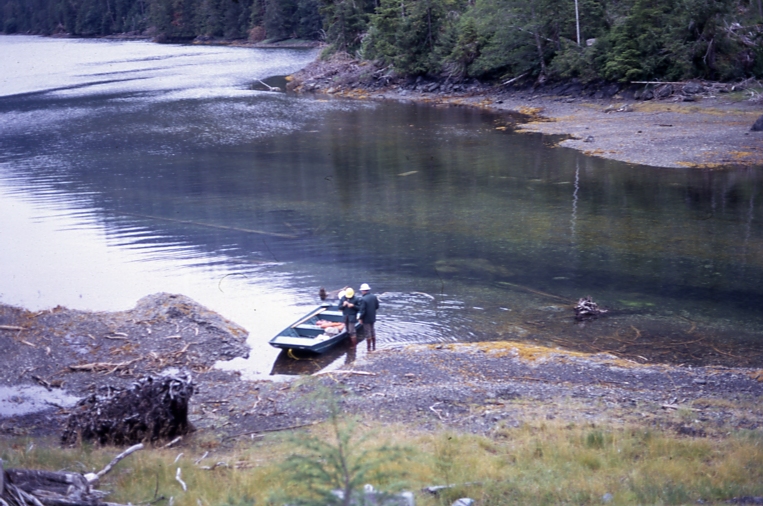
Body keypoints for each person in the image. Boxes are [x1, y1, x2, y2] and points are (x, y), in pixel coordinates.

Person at [357, 283, 380, 351]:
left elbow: (362, 310)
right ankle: (374, 347)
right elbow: (377, 306)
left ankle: (368, 348)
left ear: (363, 291)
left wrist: (360, 318)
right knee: (372, 331)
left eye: (361, 290)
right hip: (372, 317)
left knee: (368, 332)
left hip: (366, 319)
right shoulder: (374, 297)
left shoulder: (363, 299)